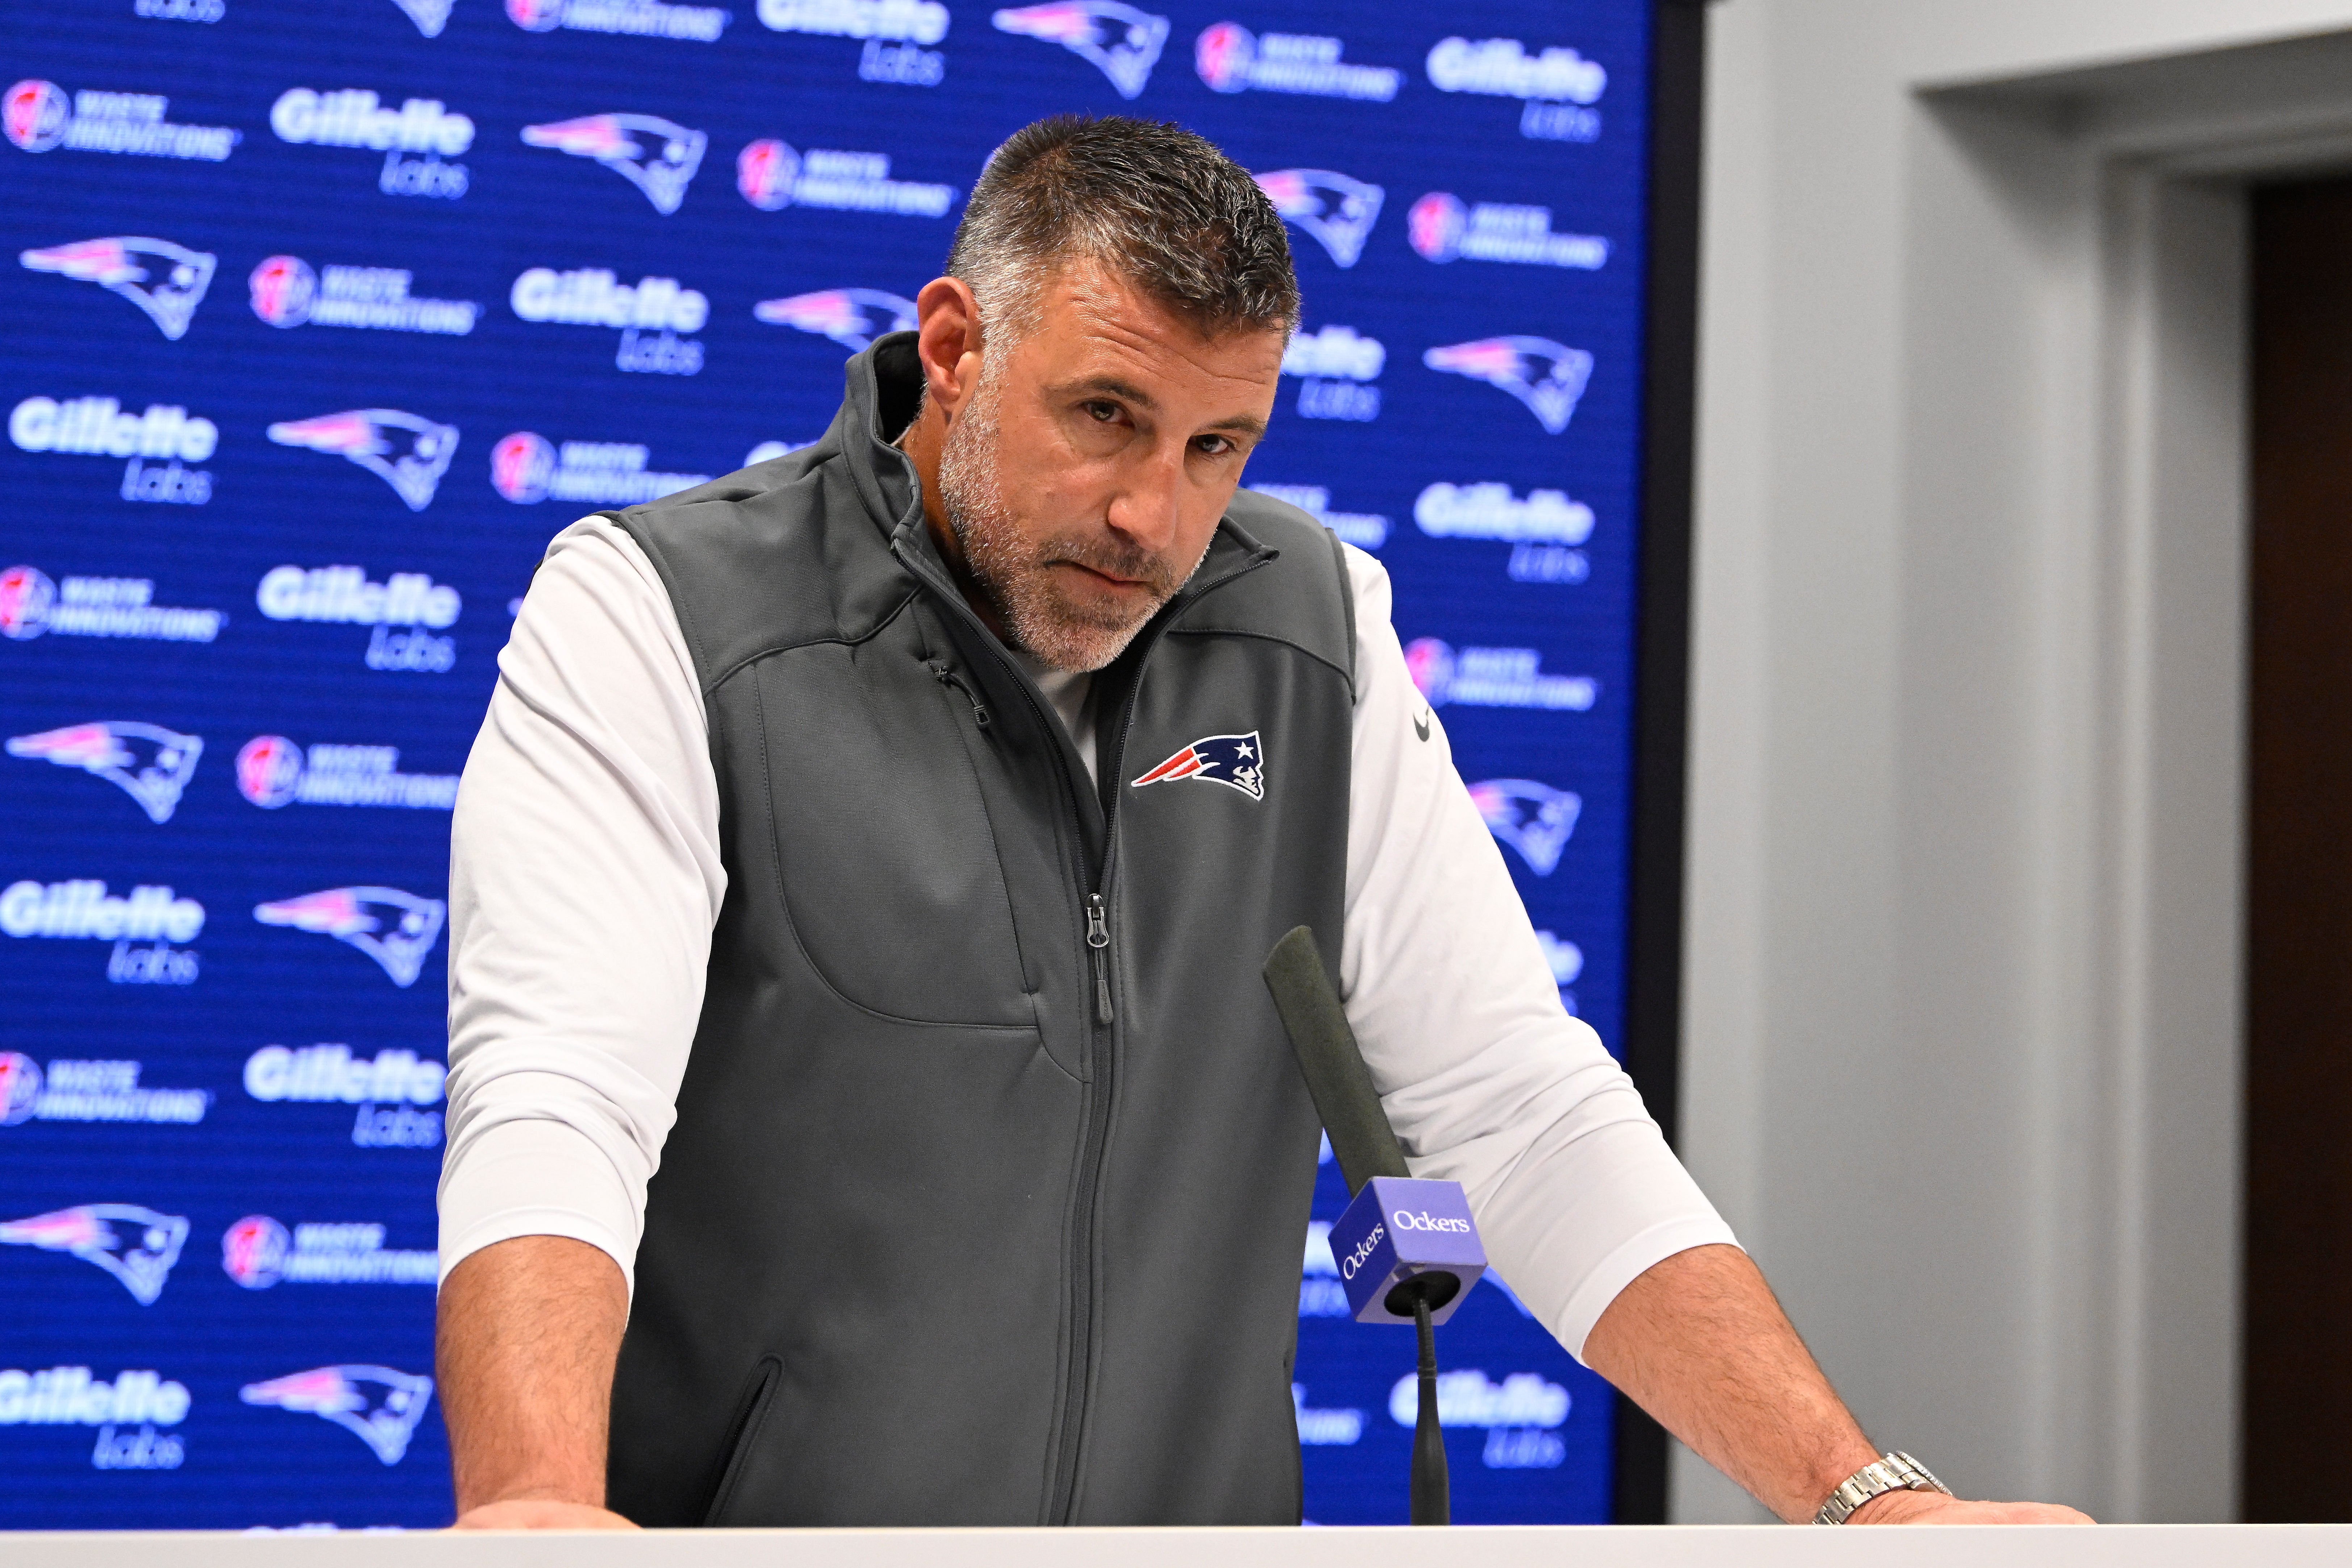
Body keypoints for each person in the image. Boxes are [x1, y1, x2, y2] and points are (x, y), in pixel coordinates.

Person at [435, 115, 2088, 1531]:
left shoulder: (1309, 625)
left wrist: (1860, 1495)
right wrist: (535, 1515)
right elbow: (559, 1094)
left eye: (1217, 444)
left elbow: (1510, 1104)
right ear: (953, 346)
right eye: (1104, 417)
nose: (1155, 513)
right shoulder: (662, 614)